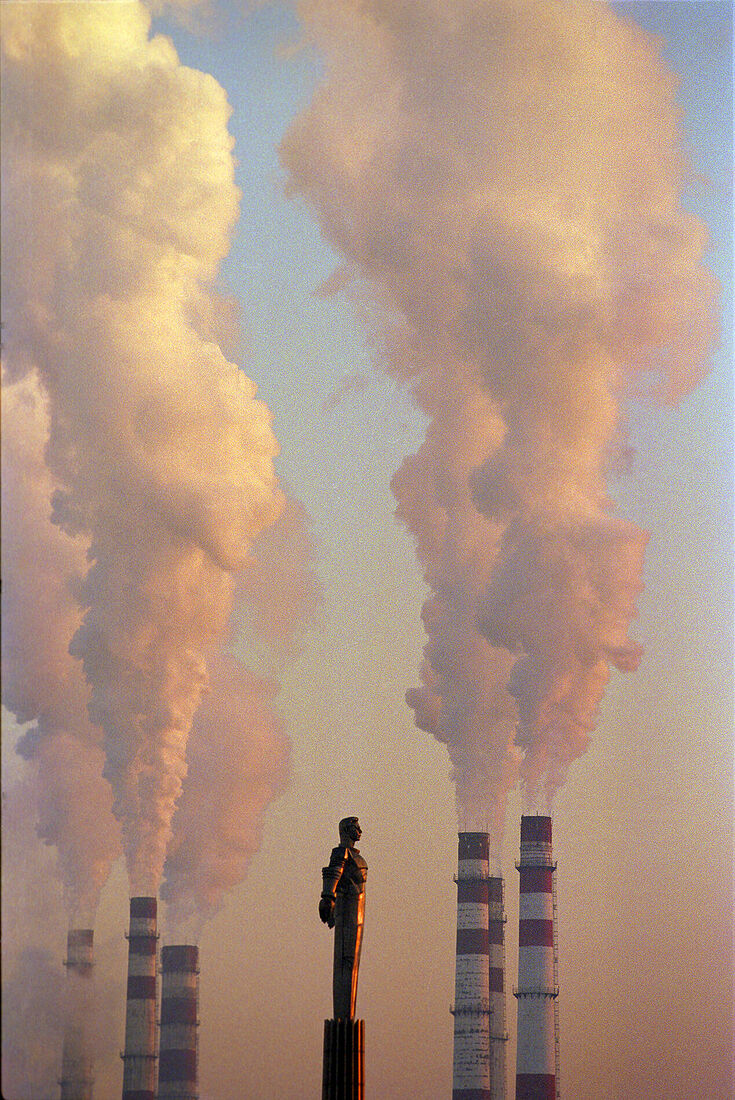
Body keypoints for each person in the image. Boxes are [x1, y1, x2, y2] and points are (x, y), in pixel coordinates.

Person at [319, 816, 368, 1019]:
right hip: (346, 913)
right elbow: (333, 873)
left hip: (358, 916)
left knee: (352, 963)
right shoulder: (342, 852)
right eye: (357, 828)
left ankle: (347, 1016)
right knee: (345, 961)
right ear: (347, 830)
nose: (361, 831)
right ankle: (343, 1017)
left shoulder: (357, 856)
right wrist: (327, 898)